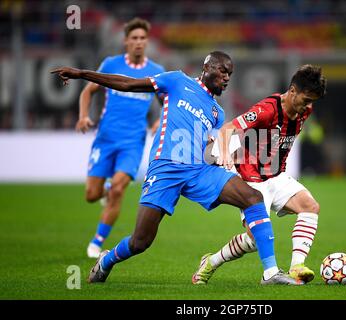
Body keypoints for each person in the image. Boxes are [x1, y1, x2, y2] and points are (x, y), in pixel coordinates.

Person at [51, 51, 300, 285]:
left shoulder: (217, 112)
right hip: (166, 169)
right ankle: (107, 259)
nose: (226, 78)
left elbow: (210, 146)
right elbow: (128, 84)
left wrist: (223, 153)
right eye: (223, 71)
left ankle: (270, 272)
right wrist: (83, 74)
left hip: (199, 171)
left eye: (230, 75)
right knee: (141, 241)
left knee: (252, 197)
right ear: (207, 68)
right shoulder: (176, 80)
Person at [192, 65, 327, 285]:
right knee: (256, 240)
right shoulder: (267, 109)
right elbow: (228, 129)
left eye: (312, 101)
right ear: (292, 90)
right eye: (306, 99)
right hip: (251, 179)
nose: (308, 106)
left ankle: (296, 267)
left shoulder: (305, 110)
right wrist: (226, 154)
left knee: (310, 206)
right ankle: (211, 262)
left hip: (276, 175)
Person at [77, 18, 165, 259]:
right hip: (105, 139)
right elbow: (88, 90)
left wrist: (159, 121)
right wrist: (84, 116)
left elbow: (164, 102)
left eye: (142, 38)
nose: (138, 42)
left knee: (119, 188)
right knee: (91, 195)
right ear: (126, 41)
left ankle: (97, 242)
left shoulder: (156, 71)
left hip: (132, 143)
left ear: (147, 42)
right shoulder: (111, 64)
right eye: (134, 38)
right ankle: (103, 192)